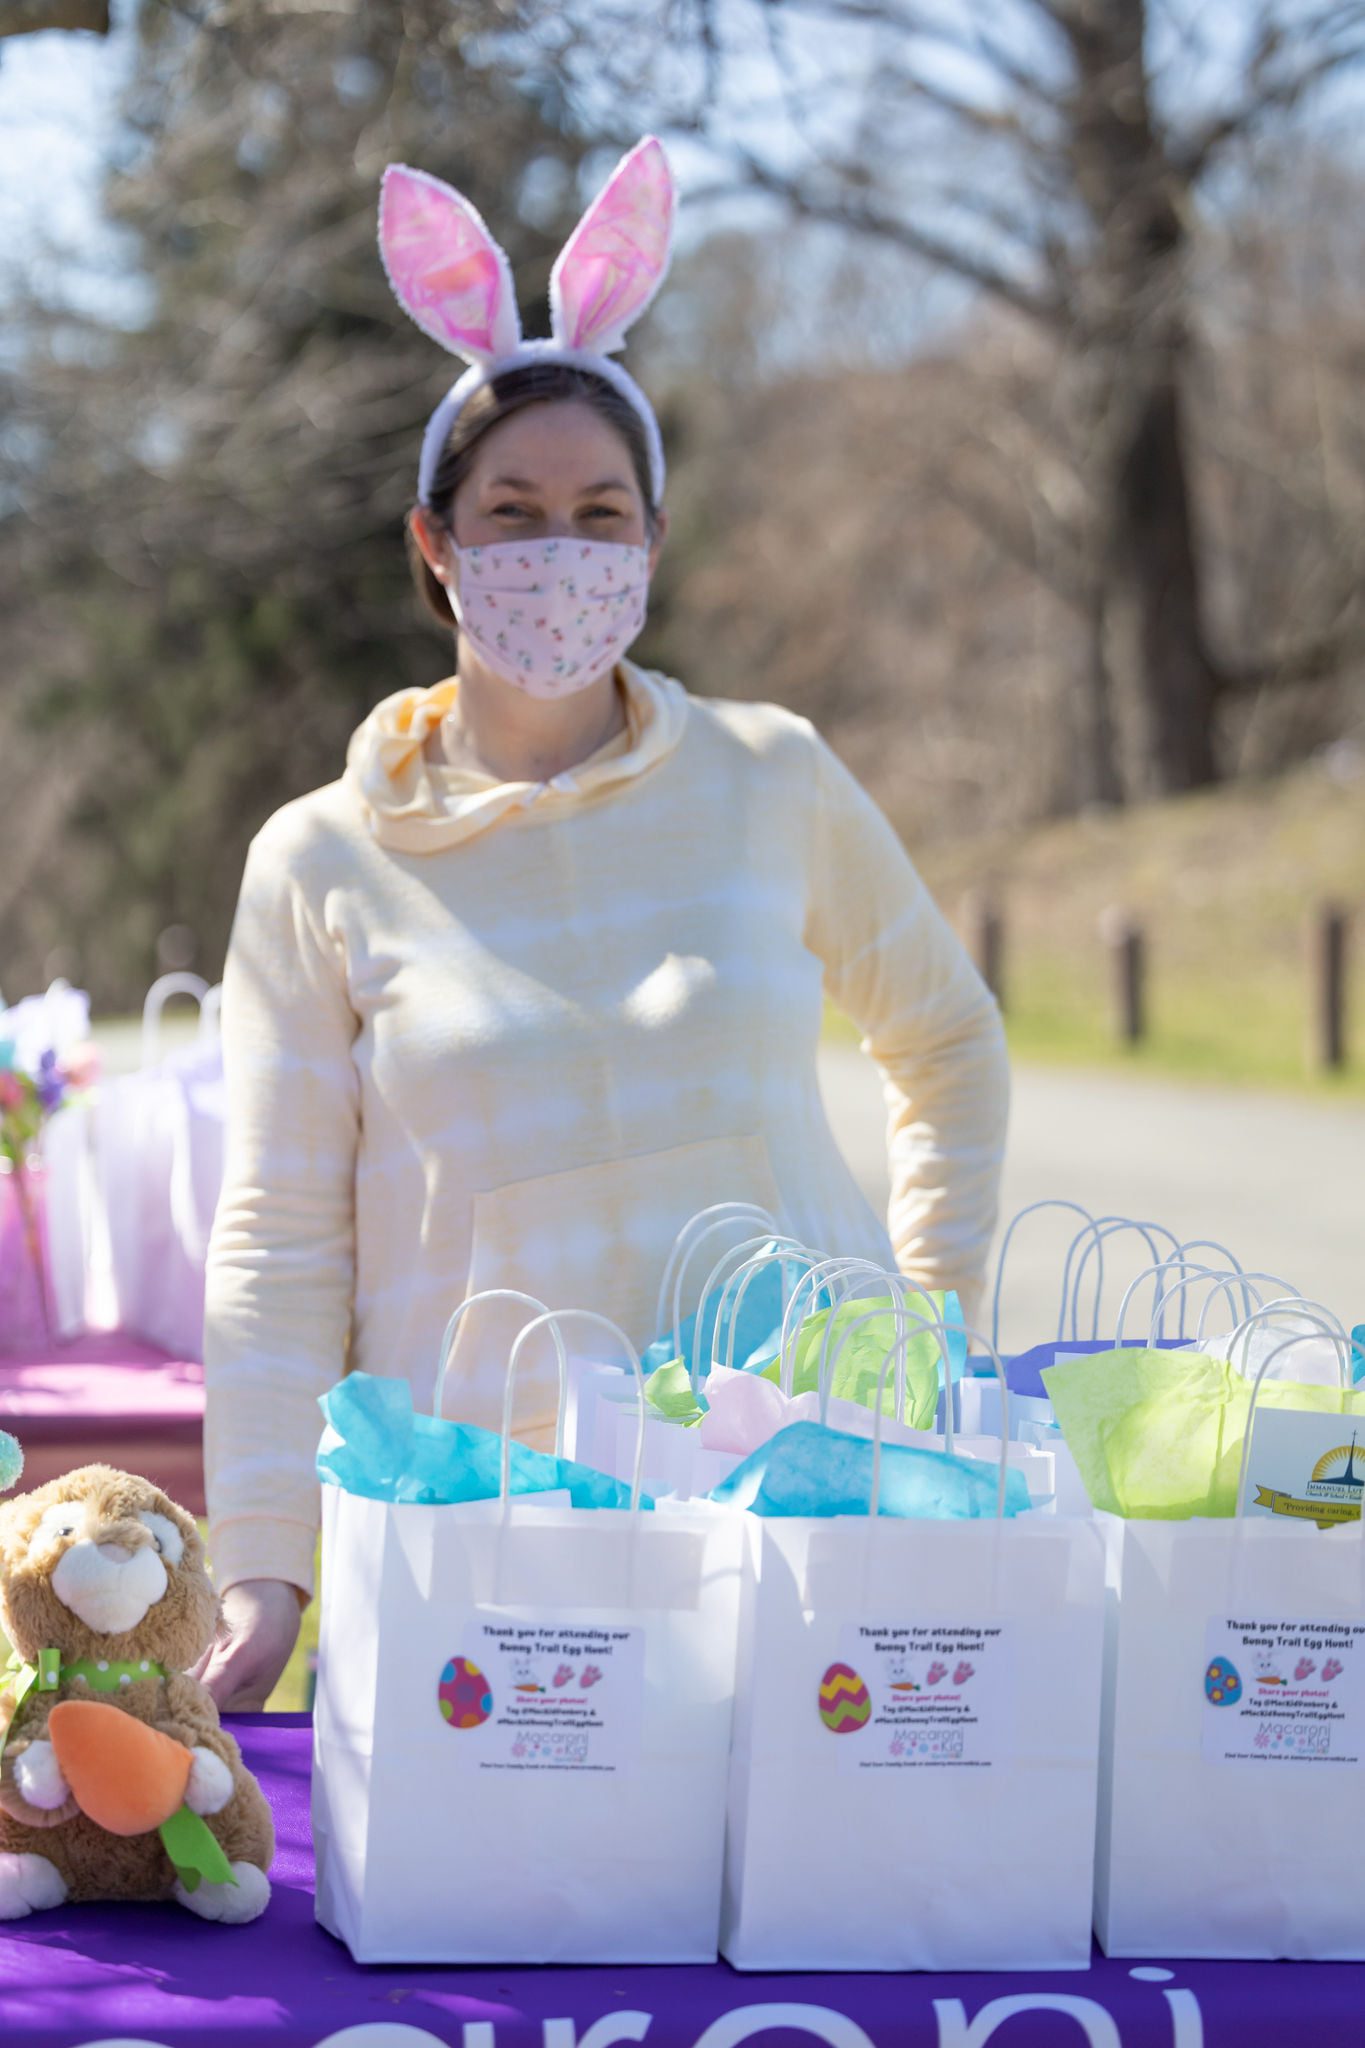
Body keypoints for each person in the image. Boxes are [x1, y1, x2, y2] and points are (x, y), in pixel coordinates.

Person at [197, 139, 1009, 1710]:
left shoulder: (773, 775)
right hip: (483, 1538)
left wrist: (930, 1348)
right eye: (510, 513)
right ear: (434, 547)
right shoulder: (316, 861)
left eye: (597, 512)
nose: (555, 552)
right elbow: (277, 1239)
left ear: (648, 544)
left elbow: (947, 1042)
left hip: (807, 1509)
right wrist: (264, 1560)